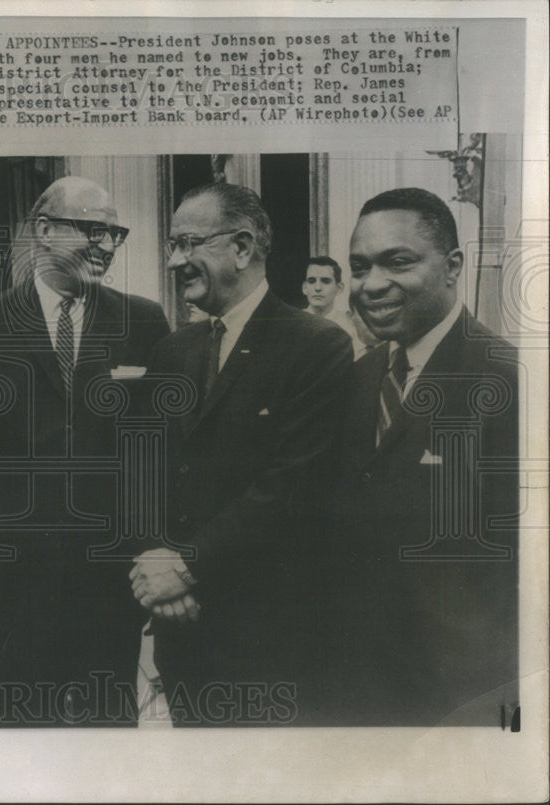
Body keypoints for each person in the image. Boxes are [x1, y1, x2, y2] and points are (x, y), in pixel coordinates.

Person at [130, 183, 352, 726]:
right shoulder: (172, 350)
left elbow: (291, 484)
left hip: (266, 637)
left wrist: (185, 566)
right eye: (173, 246)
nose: (177, 260)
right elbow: (141, 468)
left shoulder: (317, 345)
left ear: (243, 248)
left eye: (189, 243)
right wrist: (155, 557)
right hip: (181, 632)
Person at [0, 176, 171, 726]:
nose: (105, 245)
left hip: (109, 588)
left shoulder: (143, 321)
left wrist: (153, 557)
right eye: (92, 230)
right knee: (26, 739)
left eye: (114, 233)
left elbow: (157, 455)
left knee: (109, 733)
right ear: (45, 231)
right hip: (14, 588)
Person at [319, 187, 519, 726]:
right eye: (359, 268)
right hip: (355, 690)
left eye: (397, 262)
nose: (371, 285)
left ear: (453, 266)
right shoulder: (362, 378)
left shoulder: (508, 381)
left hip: (454, 704)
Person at [302, 256, 358, 344]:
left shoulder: (350, 326)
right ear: (305, 288)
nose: (317, 288)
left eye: (325, 281)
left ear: (339, 288)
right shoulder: (293, 322)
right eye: (312, 281)